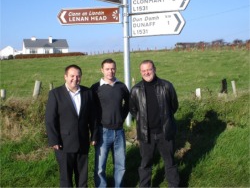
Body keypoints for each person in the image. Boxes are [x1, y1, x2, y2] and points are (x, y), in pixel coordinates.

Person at [45, 64, 98, 187]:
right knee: (66, 178)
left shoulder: (87, 92)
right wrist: (54, 140)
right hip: (63, 144)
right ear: (65, 77)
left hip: (83, 142)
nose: (75, 78)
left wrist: (94, 136)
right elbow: (50, 119)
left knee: (82, 178)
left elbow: (93, 117)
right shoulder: (55, 94)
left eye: (78, 76)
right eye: (72, 76)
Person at [129, 60, 180, 187]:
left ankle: (174, 185)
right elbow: (133, 109)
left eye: (149, 69)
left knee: (170, 162)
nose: (147, 72)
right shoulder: (135, 90)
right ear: (140, 72)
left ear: (154, 69)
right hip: (146, 134)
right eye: (144, 70)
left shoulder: (167, 86)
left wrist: (165, 118)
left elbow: (174, 106)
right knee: (145, 164)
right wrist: (143, 122)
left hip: (165, 132)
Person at [91, 58, 129, 188]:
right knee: (100, 166)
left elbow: (128, 104)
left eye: (112, 68)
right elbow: (92, 110)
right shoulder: (96, 88)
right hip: (103, 131)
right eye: (107, 69)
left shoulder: (121, 86)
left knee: (120, 165)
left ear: (115, 69)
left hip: (119, 131)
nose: (110, 71)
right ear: (102, 70)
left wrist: (121, 118)